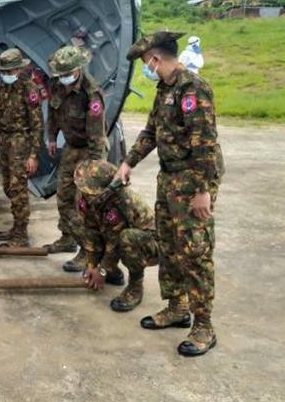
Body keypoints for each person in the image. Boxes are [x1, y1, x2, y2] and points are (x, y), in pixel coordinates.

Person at [115, 30, 224, 357]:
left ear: (155, 59)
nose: (145, 68)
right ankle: (178, 307)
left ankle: (203, 326)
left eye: (145, 62)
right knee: (170, 245)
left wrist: (203, 190)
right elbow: (151, 132)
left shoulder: (193, 88)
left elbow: (205, 141)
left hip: (193, 179)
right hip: (170, 178)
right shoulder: (165, 89)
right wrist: (128, 162)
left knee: (195, 251)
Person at [44, 46, 108, 268]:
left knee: (83, 203)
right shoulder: (57, 84)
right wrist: (52, 137)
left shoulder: (91, 93)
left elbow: (97, 135)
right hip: (71, 148)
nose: (63, 78)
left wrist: (93, 166)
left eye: (67, 74)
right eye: (60, 74)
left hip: (90, 150)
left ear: (78, 69)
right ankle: (68, 238)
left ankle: (87, 251)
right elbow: (53, 112)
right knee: (63, 196)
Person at [73, 160, 157, 312]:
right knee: (79, 225)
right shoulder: (87, 196)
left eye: (89, 191)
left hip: (152, 242)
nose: (84, 193)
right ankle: (113, 273)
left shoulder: (121, 201)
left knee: (128, 238)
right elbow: (90, 230)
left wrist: (102, 270)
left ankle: (135, 287)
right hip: (116, 235)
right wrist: (92, 265)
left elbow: (114, 241)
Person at [0, 49, 43, 248]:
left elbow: (37, 125)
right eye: (4, 71)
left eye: (9, 71)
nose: (6, 74)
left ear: (19, 69)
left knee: (18, 189)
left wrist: (33, 155)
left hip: (21, 142)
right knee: (8, 186)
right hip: (6, 141)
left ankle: (21, 235)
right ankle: (16, 226)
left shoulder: (30, 89)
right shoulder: (4, 87)